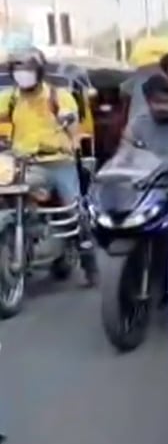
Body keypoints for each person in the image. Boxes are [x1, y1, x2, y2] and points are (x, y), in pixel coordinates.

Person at [0, 48, 95, 284]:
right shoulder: (10, 98)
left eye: (27, 69)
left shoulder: (58, 96)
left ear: (40, 71)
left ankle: (90, 263)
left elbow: (71, 119)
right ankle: (24, 239)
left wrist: (67, 120)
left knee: (75, 212)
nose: (22, 74)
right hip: (26, 164)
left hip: (59, 162)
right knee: (8, 196)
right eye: (17, 69)